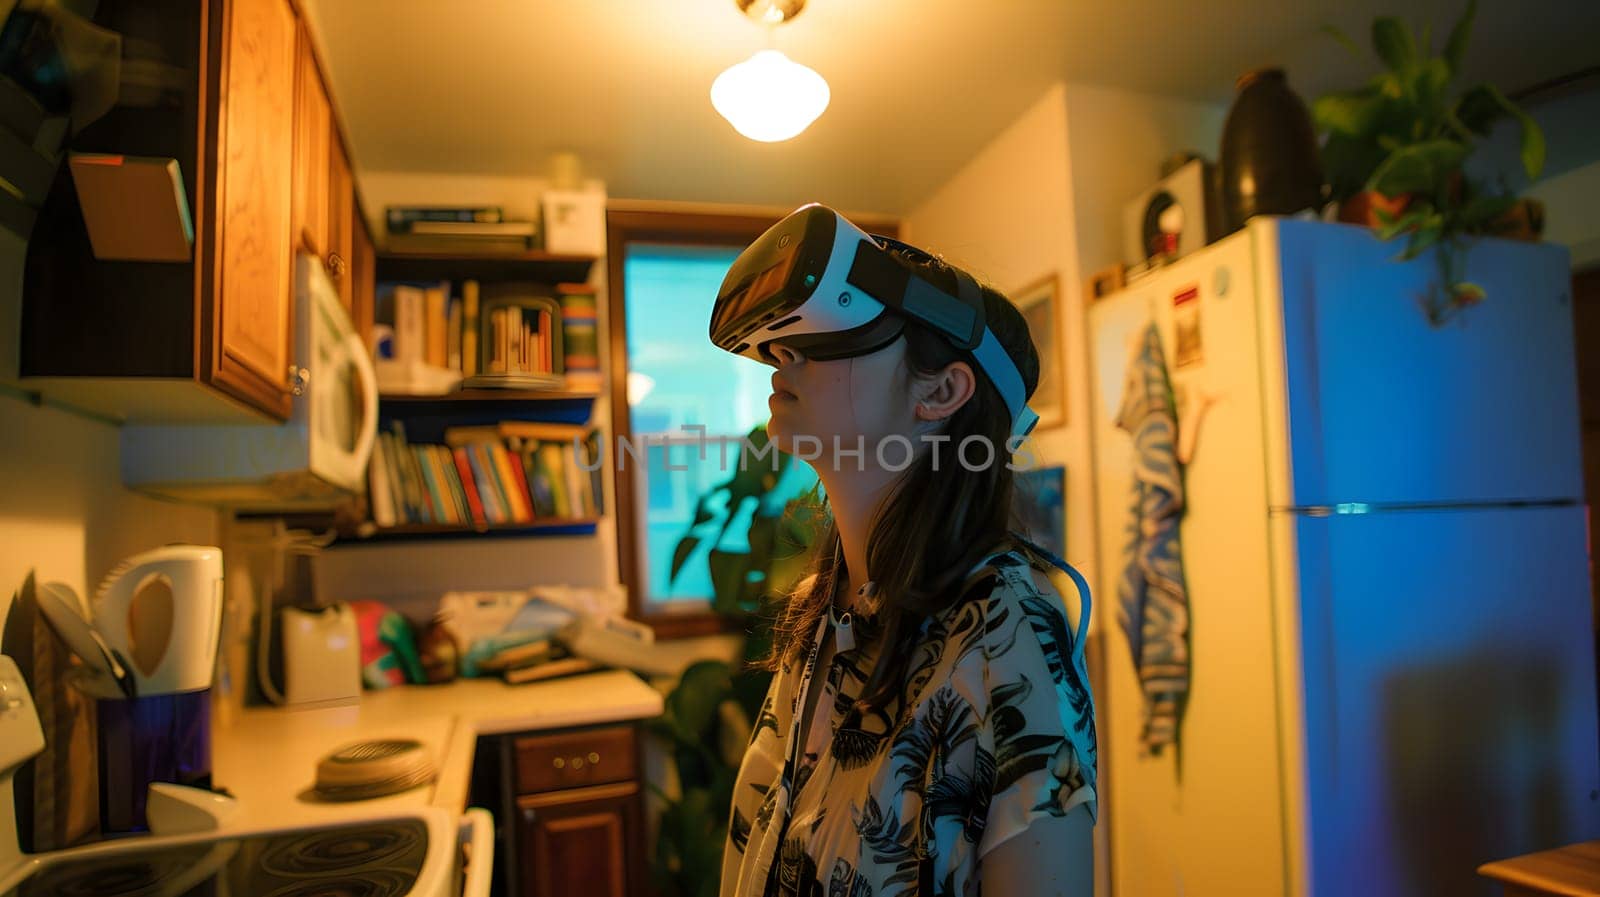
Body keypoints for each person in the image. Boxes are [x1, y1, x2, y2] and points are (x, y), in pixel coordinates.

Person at [713, 208, 1098, 897]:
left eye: (831, 332)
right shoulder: (821, 612)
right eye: (781, 339)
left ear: (943, 391)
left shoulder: (1007, 641)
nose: (783, 354)